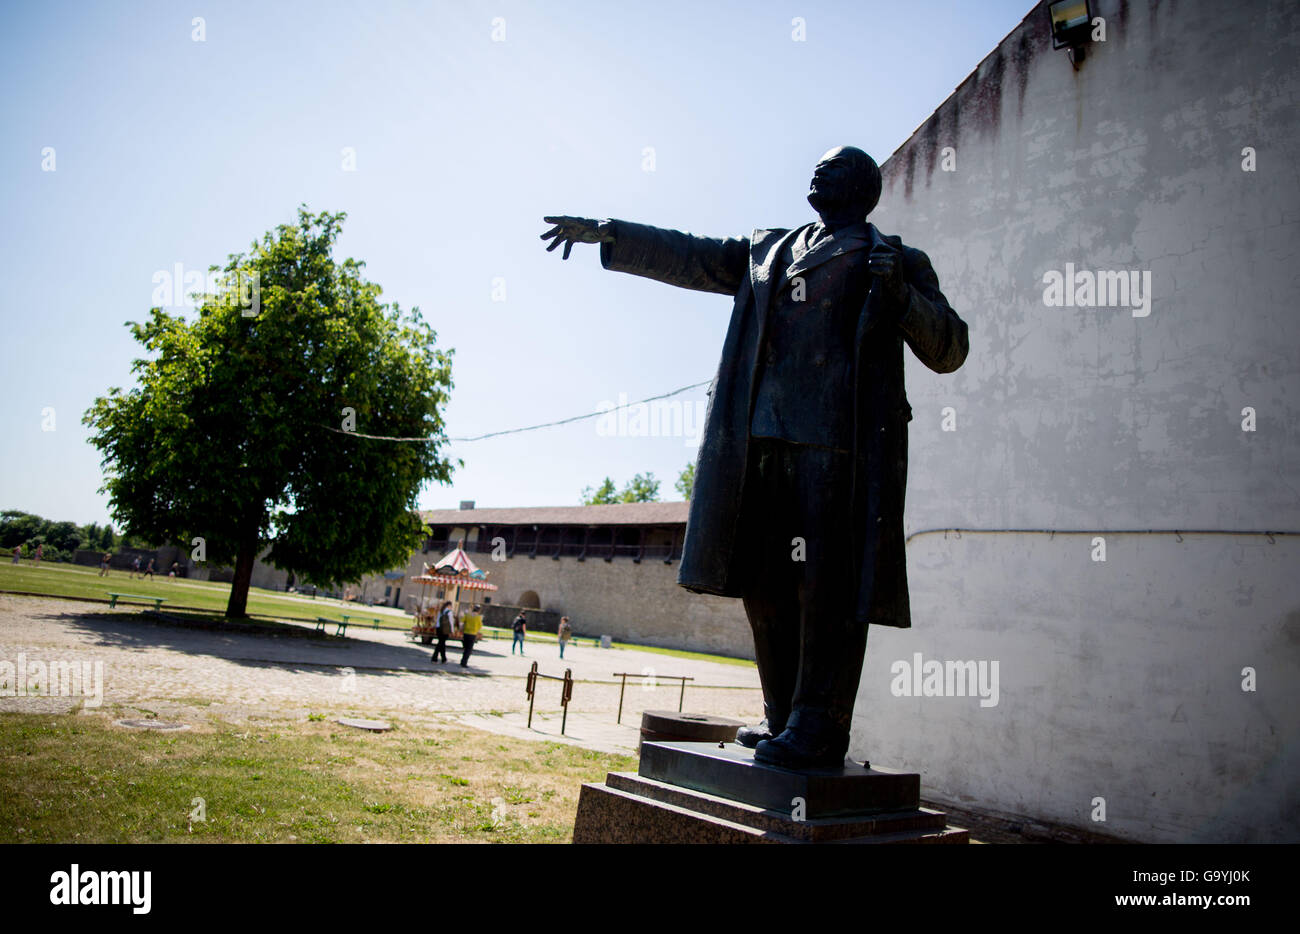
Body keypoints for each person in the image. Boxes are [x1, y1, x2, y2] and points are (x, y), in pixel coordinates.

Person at [540, 145, 969, 768]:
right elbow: (691, 255)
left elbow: (950, 347)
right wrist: (612, 233)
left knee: (828, 587)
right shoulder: (769, 250)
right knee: (764, 580)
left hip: (837, 447)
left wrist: (900, 294)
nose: (815, 170)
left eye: (832, 165)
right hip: (758, 440)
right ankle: (780, 715)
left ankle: (819, 725)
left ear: (860, 186)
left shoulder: (897, 259)